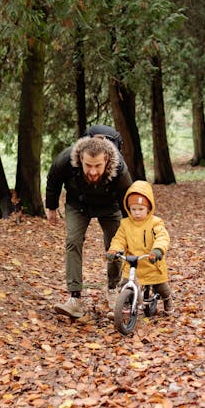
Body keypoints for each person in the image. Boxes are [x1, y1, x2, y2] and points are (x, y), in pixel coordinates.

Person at [46, 125, 133, 318]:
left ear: (106, 161)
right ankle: (74, 298)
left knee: (115, 246)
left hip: (110, 206)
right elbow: (53, 177)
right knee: (73, 241)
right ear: (81, 160)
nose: (92, 172)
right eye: (88, 166)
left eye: (98, 166)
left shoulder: (120, 169)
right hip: (78, 203)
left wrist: (131, 226)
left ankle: (113, 289)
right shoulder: (67, 159)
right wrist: (52, 206)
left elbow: (128, 199)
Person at [107, 180, 174, 315]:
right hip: (132, 264)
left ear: (148, 208)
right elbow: (119, 239)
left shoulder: (155, 222)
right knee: (125, 284)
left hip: (151, 261)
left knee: (160, 286)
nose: (137, 213)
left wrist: (158, 250)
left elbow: (162, 237)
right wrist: (114, 250)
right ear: (128, 209)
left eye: (141, 209)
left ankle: (167, 299)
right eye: (133, 209)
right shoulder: (125, 224)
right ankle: (123, 307)